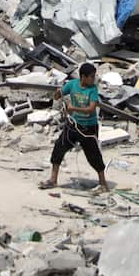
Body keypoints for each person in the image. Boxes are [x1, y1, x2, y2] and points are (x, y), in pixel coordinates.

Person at [40, 62, 108, 193]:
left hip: (88, 128)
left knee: (93, 155)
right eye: (91, 76)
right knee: (59, 148)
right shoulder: (72, 84)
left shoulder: (92, 89)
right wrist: (57, 94)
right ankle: (53, 180)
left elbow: (91, 109)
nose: (93, 79)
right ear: (83, 77)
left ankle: (103, 184)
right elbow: (59, 94)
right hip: (73, 125)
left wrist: (73, 108)